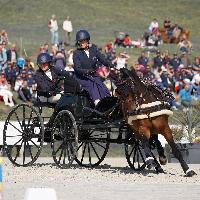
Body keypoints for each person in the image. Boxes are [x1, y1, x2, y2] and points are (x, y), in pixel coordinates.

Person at [73, 30, 114, 105]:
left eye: (83, 41)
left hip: (93, 75)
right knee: (92, 84)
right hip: (81, 77)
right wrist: (87, 71)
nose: (81, 43)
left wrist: (110, 64)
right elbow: (77, 68)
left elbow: (103, 59)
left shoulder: (94, 50)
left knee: (102, 86)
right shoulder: (76, 53)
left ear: (87, 40)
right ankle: (97, 103)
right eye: (80, 42)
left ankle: (108, 102)